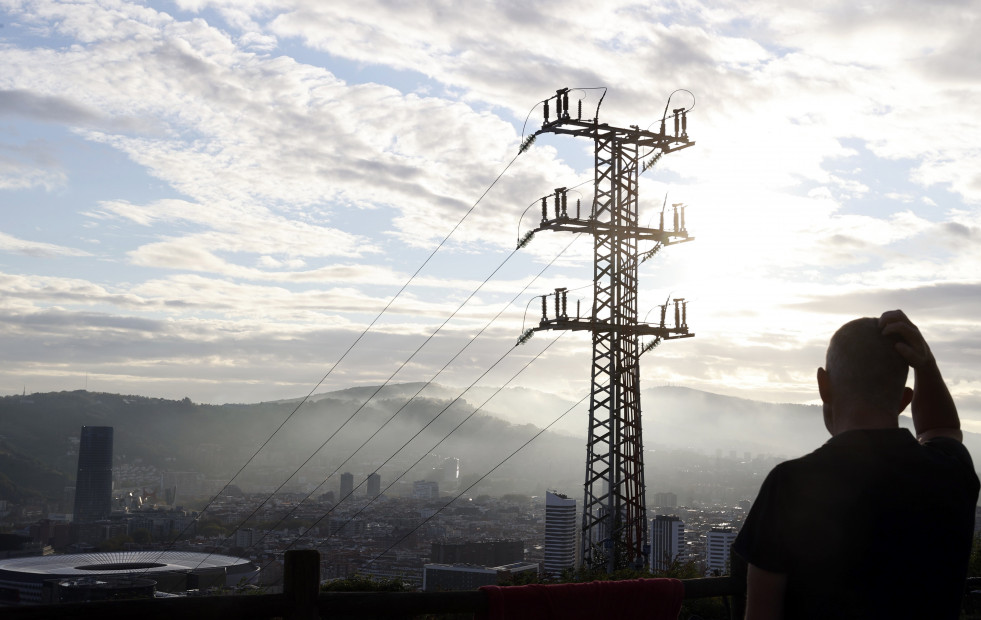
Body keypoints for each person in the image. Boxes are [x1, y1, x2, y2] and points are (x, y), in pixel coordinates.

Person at [733, 310, 979, 619]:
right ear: (904, 400)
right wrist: (925, 363)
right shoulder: (952, 472)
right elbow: (942, 428)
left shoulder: (791, 485)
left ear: (824, 385)